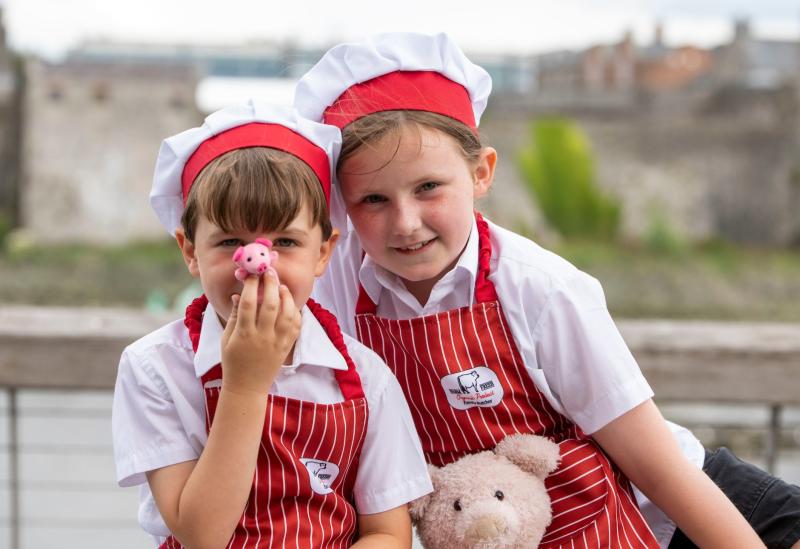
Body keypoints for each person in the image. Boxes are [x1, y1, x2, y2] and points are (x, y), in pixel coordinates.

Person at [295, 33, 799, 548]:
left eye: (429, 188)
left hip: (687, 504)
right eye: (373, 199)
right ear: (342, 207)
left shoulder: (540, 289)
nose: (405, 223)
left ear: (481, 172)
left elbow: (658, 468)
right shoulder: (332, 288)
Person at [112, 100, 432, 548]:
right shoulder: (154, 368)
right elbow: (200, 534)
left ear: (324, 251)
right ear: (189, 250)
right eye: (229, 242)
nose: (259, 266)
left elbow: (386, 533)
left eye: (285, 242)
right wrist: (245, 382)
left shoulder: (366, 376)